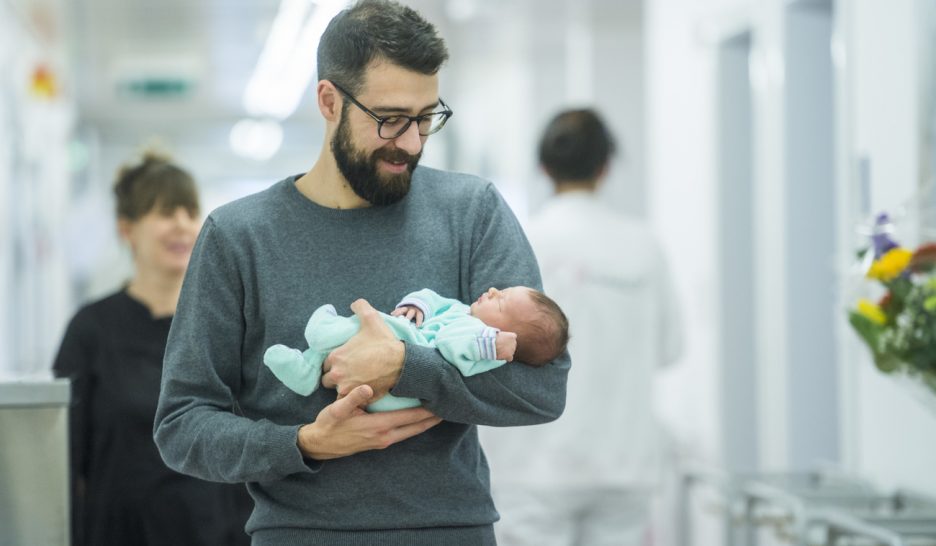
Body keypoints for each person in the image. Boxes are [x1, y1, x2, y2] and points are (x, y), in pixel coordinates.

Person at [152, 2, 570, 544]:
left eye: (426, 118)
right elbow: (182, 423)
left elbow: (541, 389)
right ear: (329, 101)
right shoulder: (238, 236)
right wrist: (303, 444)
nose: (412, 143)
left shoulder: (472, 212)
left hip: (450, 532)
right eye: (390, 119)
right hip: (301, 534)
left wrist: (405, 366)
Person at [480, 109, 684, 546]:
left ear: (543, 167)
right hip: (624, 461)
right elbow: (670, 349)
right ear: (605, 167)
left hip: (533, 464)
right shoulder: (643, 245)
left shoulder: (521, 240)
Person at [52, 153, 253, 546]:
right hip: (119, 532)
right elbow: (65, 458)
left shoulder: (227, 323)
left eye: (189, 211)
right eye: (164, 212)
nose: (181, 224)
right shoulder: (91, 330)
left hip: (213, 531)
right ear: (127, 229)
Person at [264, 286, 569, 412]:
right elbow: (433, 298)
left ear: (505, 333)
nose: (492, 290)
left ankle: (321, 330)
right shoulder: (462, 310)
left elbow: (452, 348)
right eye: (500, 291)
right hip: (390, 377)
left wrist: (490, 344)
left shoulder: (479, 335)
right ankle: (307, 370)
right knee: (365, 336)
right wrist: (418, 305)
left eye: (500, 302)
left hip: (402, 377)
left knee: (372, 323)